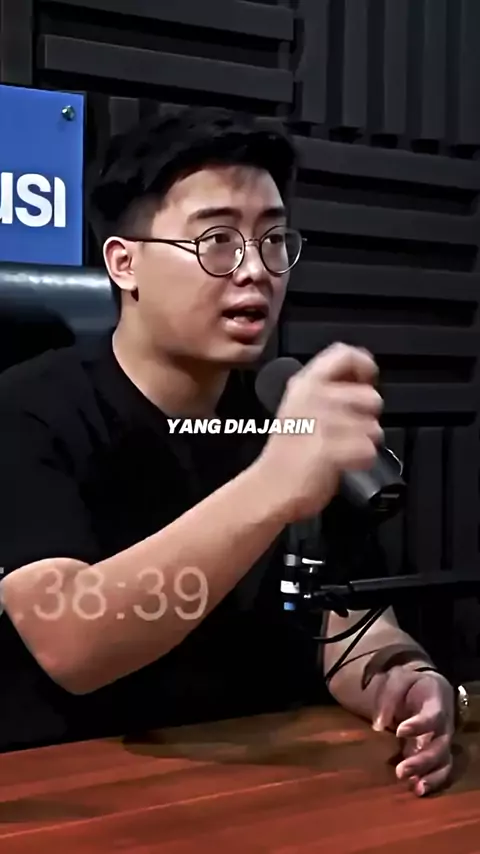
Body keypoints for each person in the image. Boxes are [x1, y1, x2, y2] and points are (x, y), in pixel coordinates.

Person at [0, 106, 455, 796]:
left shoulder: (282, 410)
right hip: (78, 791)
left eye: (274, 241)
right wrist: (273, 483)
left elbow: (347, 625)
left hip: (258, 784)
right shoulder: (27, 410)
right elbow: (72, 642)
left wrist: (405, 679)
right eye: (217, 240)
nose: (255, 271)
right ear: (125, 264)